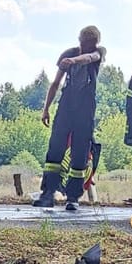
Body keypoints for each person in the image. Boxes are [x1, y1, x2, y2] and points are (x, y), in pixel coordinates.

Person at [34, 26, 106, 209]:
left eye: (90, 44)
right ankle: (48, 193)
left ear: (95, 43)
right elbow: (56, 83)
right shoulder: (69, 53)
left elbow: (90, 58)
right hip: (66, 105)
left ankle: (73, 198)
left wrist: (73, 61)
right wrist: (46, 109)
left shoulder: (97, 53)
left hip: (85, 108)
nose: (87, 46)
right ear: (79, 40)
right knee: (55, 149)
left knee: (80, 152)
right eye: (84, 42)